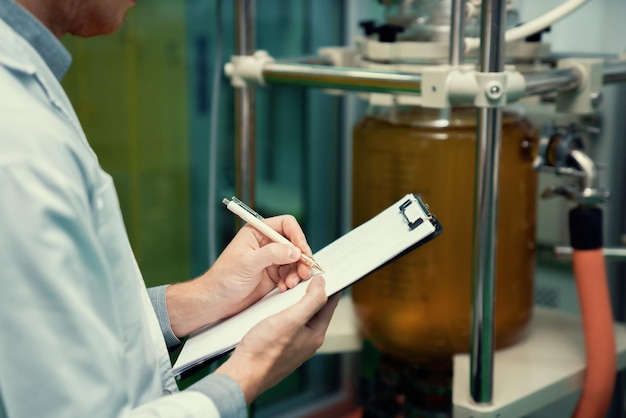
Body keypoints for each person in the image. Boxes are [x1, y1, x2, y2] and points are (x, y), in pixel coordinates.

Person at [0, 0, 341, 417]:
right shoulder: (15, 145)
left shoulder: (27, 85)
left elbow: (52, 334)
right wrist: (250, 372)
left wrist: (204, 298)